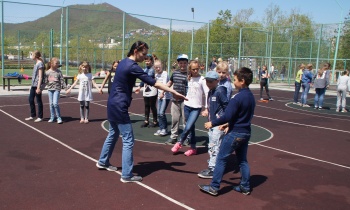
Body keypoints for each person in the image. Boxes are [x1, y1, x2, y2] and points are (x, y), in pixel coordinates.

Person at [96, 41, 187, 183]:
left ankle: (102, 161)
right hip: (119, 106)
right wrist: (173, 91)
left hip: (112, 102)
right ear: (136, 50)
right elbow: (154, 82)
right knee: (128, 140)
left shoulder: (122, 62)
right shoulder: (132, 66)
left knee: (113, 133)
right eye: (143, 54)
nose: (145, 58)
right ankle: (127, 175)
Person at [199, 67, 256, 196]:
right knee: (242, 160)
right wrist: (227, 124)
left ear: (242, 81)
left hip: (235, 133)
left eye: (235, 80)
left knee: (221, 159)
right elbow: (240, 116)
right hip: (246, 132)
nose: (233, 82)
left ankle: (214, 187)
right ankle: (245, 186)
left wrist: (212, 123)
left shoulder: (237, 97)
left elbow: (227, 116)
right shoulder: (251, 97)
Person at [171, 59, 209, 156]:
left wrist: (206, 108)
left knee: (187, 126)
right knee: (191, 128)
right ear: (190, 69)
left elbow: (207, 93)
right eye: (193, 69)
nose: (195, 71)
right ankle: (193, 148)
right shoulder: (188, 78)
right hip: (187, 105)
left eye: (197, 69)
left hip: (196, 107)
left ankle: (179, 142)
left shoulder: (202, 80)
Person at [197, 71, 228, 178]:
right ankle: (213, 164)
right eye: (207, 81)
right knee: (211, 146)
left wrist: (225, 122)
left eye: (211, 81)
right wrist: (207, 112)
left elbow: (226, 107)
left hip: (218, 124)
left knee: (215, 146)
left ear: (217, 81)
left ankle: (213, 169)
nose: (208, 83)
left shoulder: (220, 91)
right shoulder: (211, 91)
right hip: (212, 123)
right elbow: (212, 106)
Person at [165, 54, 189, 145]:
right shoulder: (175, 73)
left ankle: (186, 138)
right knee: (175, 120)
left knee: (185, 121)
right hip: (175, 101)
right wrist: (163, 90)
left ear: (187, 63)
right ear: (178, 63)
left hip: (185, 101)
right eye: (181, 63)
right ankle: (173, 137)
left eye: (184, 63)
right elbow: (170, 83)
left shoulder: (189, 74)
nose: (182, 65)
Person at [135, 54, 158, 128]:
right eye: (146, 61)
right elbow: (142, 79)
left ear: (151, 61)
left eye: (148, 61)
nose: (147, 62)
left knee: (152, 105)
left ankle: (155, 121)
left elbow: (156, 79)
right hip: (146, 89)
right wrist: (139, 87)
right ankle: (146, 120)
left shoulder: (154, 69)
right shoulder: (144, 70)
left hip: (153, 89)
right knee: (146, 105)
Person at [44, 57, 66, 124]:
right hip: (50, 89)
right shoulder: (47, 72)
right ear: (51, 64)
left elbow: (62, 80)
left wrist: (65, 87)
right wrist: (40, 88)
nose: (58, 64)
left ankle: (59, 118)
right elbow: (45, 81)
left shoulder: (59, 72)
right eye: (56, 63)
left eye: (58, 63)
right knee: (51, 104)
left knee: (55, 103)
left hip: (57, 89)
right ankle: (52, 117)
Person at [25, 50, 45, 122]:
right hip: (33, 85)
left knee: (38, 100)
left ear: (35, 56)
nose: (31, 56)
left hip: (37, 85)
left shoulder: (40, 64)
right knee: (30, 99)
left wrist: (38, 87)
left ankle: (40, 116)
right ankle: (33, 115)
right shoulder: (36, 63)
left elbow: (40, 77)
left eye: (32, 55)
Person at [153, 59, 171, 136]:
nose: (157, 69)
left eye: (159, 67)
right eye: (156, 67)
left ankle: (165, 129)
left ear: (161, 66)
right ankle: (161, 128)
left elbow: (164, 85)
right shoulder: (156, 75)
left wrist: (163, 93)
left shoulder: (165, 73)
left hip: (165, 96)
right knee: (158, 113)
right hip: (159, 96)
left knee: (161, 113)